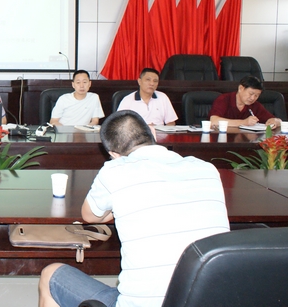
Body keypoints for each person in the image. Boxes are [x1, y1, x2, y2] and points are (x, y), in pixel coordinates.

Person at [38, 110, 229, 307]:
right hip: (211, 300)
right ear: (153, 133)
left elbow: (89, 216)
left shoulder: (115, 171)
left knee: (50, 275)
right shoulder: (207, 169)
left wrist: (119, 203)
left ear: (113, 154)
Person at [209, 75, 282, 129]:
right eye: (251, 94)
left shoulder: (255, 105)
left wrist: (275, 121)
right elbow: (214, 121)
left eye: (256, 95)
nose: (253, 98)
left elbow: (278, 120)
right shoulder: (224, 99)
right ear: (241, 88)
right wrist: (244, 122)